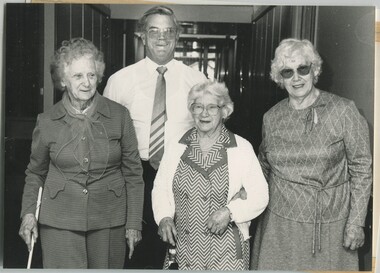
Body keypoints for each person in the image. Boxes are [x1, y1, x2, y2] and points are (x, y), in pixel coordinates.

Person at [18, 38, 144, 269]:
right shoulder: (46, 121)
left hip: (109, 220)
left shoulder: (119, 116)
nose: (86, 83)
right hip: (59, 221)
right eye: (78, 76)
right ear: (63, 80)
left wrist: (133, 222)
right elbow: (35, 172)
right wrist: (28, 214)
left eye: (91, 75)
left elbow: (134, 174)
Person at [251, 38, 372, 271]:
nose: (296, 78)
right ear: (279, 77)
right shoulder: (271, 117)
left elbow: (362, 170)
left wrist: (356, 223)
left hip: (328, 227)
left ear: (314, 70)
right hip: (278, 226)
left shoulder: (343, 110)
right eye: (287, 72)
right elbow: (262, 168)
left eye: (302, 69)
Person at [103, 5, 206, 269]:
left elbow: (210, 132)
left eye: (168, 31)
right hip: (133, 175)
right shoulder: (120, 80)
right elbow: (104, 136)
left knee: (175, 252)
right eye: (154, 31)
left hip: (180, 174)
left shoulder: (197, 80)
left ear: (177, 36)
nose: (162, 37)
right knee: (133, 251)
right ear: (142, 36)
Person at [152, 80, 269, 270]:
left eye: (212, 107)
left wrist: (230, 212)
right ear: (192, 110)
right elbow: (161, 188)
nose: (204, 113)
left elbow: (260, 196)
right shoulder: (176, 146)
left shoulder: (241, 147)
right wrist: (164, 217)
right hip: (183, 249)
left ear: (224, 111)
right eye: (198, 106)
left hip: (227, 250)